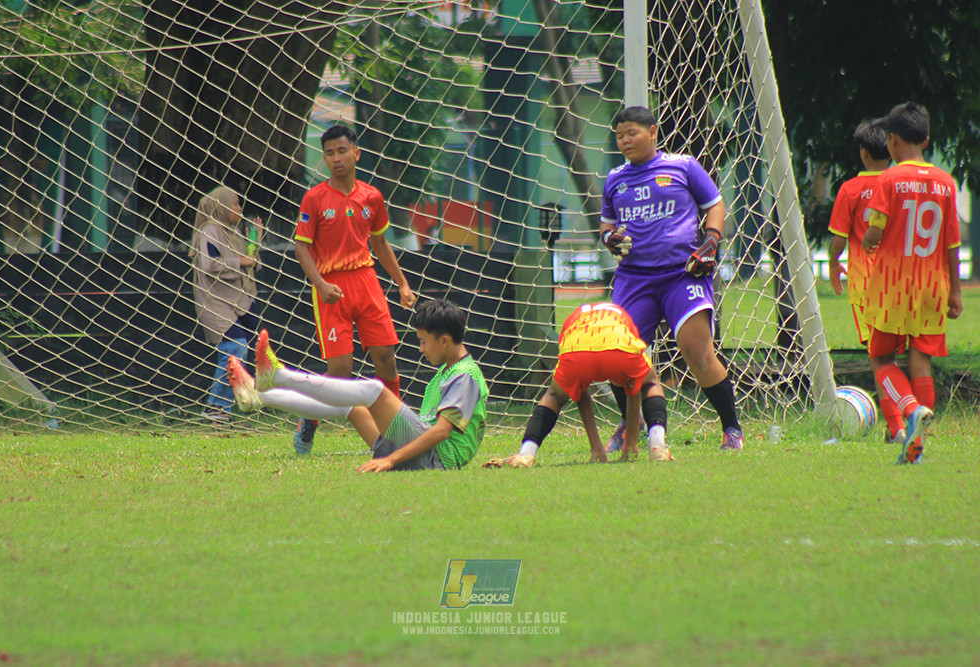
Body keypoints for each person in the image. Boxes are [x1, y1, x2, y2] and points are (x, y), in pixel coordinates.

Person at [599, 106, 744, 450]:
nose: (625, 141)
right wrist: (610, 239)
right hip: (634, 279)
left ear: (652, 132)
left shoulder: (683, 167)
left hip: (683, 275)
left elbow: (715, 204)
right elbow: (606, 227)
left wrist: (711, 240)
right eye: (619, 136)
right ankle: (628, 425)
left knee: (697, 352)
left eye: (631, 133)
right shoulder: (615, 179)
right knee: (619, 355)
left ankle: (733, 429)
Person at [228, 299, 488, 472]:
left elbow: (442, 432)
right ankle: (261, 396)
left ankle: (279, 376)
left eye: (423, 342)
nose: (420, 349)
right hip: (424, 454)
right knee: (352, 404)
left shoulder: (464, 376)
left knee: (374, 390)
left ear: (444, 341)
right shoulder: (446, 372)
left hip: (437, 459)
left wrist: (392, 458)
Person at [292, 124, 417, 454]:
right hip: (331, 287)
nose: (336, 159)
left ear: (356, 154)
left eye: (342, 151)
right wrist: (320, 284)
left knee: (386, 359)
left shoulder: (371, 196)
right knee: (340, 373)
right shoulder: (315, 198)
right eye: (329, 153)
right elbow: (301, 247)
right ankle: (310, 418)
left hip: (366, 282)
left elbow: (379, 243)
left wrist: (402, 284)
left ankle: (398, 429)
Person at [862, 101, 963, 465]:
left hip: (893, 286)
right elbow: (952, 242)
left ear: (891, 141)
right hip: (933, 287)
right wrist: (954, 290)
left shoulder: (888, 179)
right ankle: (918, 441)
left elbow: (875, 230)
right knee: (921, 360)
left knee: (880, 358)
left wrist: (869, 240)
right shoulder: (946, 183)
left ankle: (909, 409)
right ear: (927, 140)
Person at [483, 302, 672, 469]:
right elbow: (633, 389)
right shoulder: (622, 315)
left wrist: (596, 448)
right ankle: (657, 444)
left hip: (577, 348)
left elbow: (580, 393)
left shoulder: (575, 320)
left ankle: (526, 454)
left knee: (554, 397)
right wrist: (630, 446)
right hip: (619, 345)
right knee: (650, 383)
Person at [827, 118, 905, 442]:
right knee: (899, 354)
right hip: (902, 280)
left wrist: (832, 263)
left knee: (879, 358)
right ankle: (905, 416)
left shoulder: (850, 189)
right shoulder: (901, 185)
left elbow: (839, 238)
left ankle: (897, 425)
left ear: (863, 153)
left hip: (865, 285)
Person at [190, 186, 263, 423]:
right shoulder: (210, 231)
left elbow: (250, 264)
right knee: (234, 348)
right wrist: (242, 260)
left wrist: (254, 246)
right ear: (221, 206)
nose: (239, 208)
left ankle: (219, 407)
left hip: (236, 298)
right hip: (213, 301)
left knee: (245, 347)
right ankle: (217, 407)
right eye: (235, 204)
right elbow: (210, 265)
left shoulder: (234, 232)